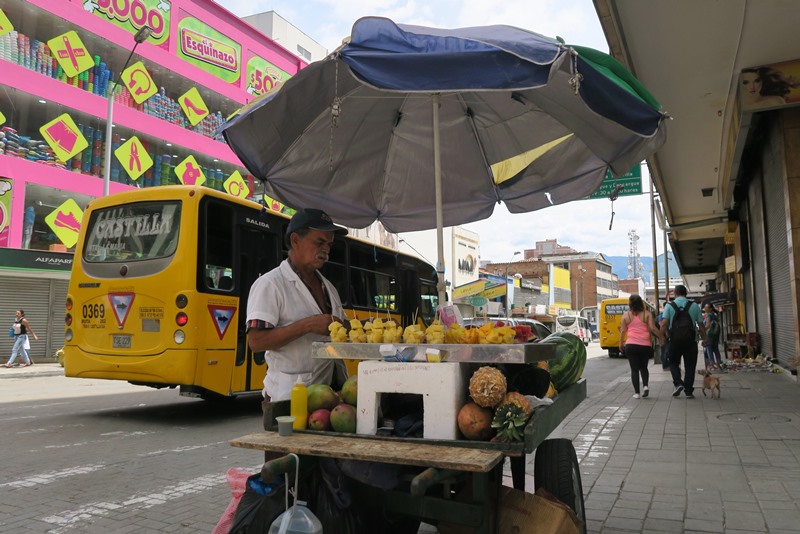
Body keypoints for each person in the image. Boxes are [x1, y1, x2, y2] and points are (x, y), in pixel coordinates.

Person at [246, 208, 349, 411]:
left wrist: (364, 328)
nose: (326, 250)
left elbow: (339, 328)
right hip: (287, 397)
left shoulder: (329, 287)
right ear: (295, 240)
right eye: (319, 243)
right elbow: (256, 341)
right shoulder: (270, 284)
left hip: (326, 396)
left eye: (329, 244)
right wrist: (307, 325)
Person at [659, 285, 707, 399]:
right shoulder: (694, 306)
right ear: (686, 294)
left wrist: (661, 337)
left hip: (675, 341)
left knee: (673, 363)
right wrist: (705, 339)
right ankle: (689, 391)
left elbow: (664, 323)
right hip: (691, 341)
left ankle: (678, 383)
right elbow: (701, 325)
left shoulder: (670, 306)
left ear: (675, 294)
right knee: (690, 366)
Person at [619, 295, 664, 399]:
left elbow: (623, 331)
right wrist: (661, 337)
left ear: (630, 304)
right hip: (645, 345)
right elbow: (652, 328)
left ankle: (636, 393)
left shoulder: (626, 316)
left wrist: (621, 343)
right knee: (643, 367)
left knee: (634, 369)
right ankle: (645, 386)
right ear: (641, 303)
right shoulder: (647, 314)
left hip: (631, 345)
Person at [704, 304, 723, 369]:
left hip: (709, 335)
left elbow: (708, 325)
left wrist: (702, 329)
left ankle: (711, 364)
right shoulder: (714, 316)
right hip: (716, 335)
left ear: (711, 309)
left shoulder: (708, 315)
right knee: (715, 349)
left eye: (706, 307)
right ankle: (718, 363)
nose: (705, 309)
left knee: (709, 349)